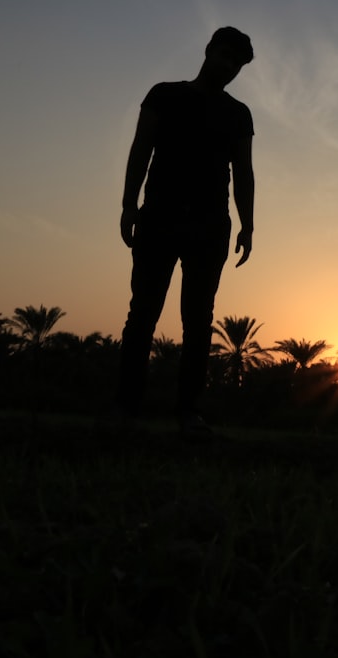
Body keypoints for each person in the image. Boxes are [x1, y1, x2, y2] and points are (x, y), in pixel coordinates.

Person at [114, 27, 255, 438]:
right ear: (209, 51)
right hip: (159, 216)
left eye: (236, 64)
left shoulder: (238, 114)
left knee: (198, 321)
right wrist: (128, 205)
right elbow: (140, 150)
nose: (228, 67)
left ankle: (189, 413)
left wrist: (248, 223)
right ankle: (125, 407)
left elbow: (243, 172)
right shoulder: (164, 95)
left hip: (210, 225)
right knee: (142, 314)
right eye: (224, 56)